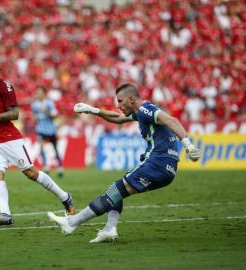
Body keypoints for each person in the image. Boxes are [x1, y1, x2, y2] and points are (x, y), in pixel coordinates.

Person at [47, 83, 201, 243]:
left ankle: (72, 222)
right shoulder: (141, 112)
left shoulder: (145, 109)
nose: (118, 105)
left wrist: (188, 144)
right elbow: (118, 118)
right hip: (167, 169)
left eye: (120, 101)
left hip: (157, 163)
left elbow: (171, 120)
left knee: (116, 189)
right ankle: (109, 229)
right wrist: (93, 111)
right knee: (117, 190)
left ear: (131, 99)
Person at [0, 55, 75, 226]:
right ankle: (5, 214)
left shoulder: (5, 87)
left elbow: (14, 114)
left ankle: (65, 197)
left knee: (31, 173)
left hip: (9, 138)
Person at [31, 87, 63, 178]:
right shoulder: (34, 105)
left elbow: (54, 115)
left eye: (40, 93)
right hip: (40, 129)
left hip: (51, 129)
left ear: (44, 94)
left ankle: (60, 167)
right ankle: (46, 167)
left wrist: (48, 112)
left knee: (55, 148)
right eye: (37, 93)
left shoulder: (49, 103)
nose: (38, 94)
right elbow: (34, 116)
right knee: (41, 147)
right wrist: (35, 117)